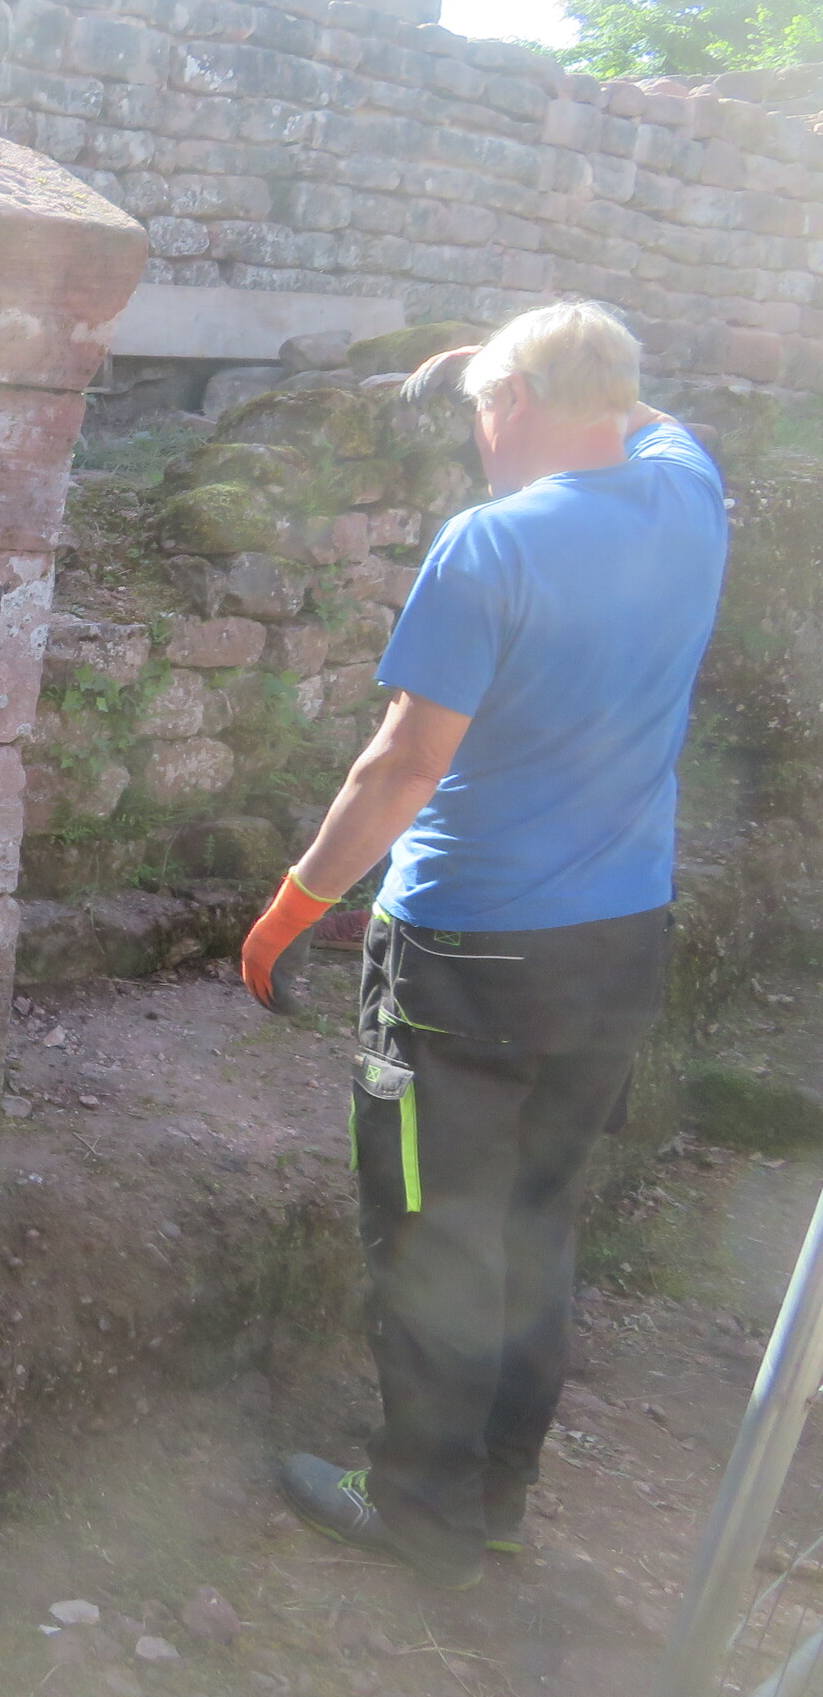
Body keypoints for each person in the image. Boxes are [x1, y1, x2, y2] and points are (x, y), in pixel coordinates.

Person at [240, 301, 728, 1590]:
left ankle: (417, 1507)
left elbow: (404, 766)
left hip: (468, 954)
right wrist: (504, 363)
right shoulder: (689, 495)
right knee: (536, 1222)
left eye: (480, 411)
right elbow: (655, 417)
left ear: (511, 407)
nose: (476, 438)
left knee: (433, 1233)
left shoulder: (492, 543)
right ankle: (496, 1497)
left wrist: (296, 906)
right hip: (618, 946)